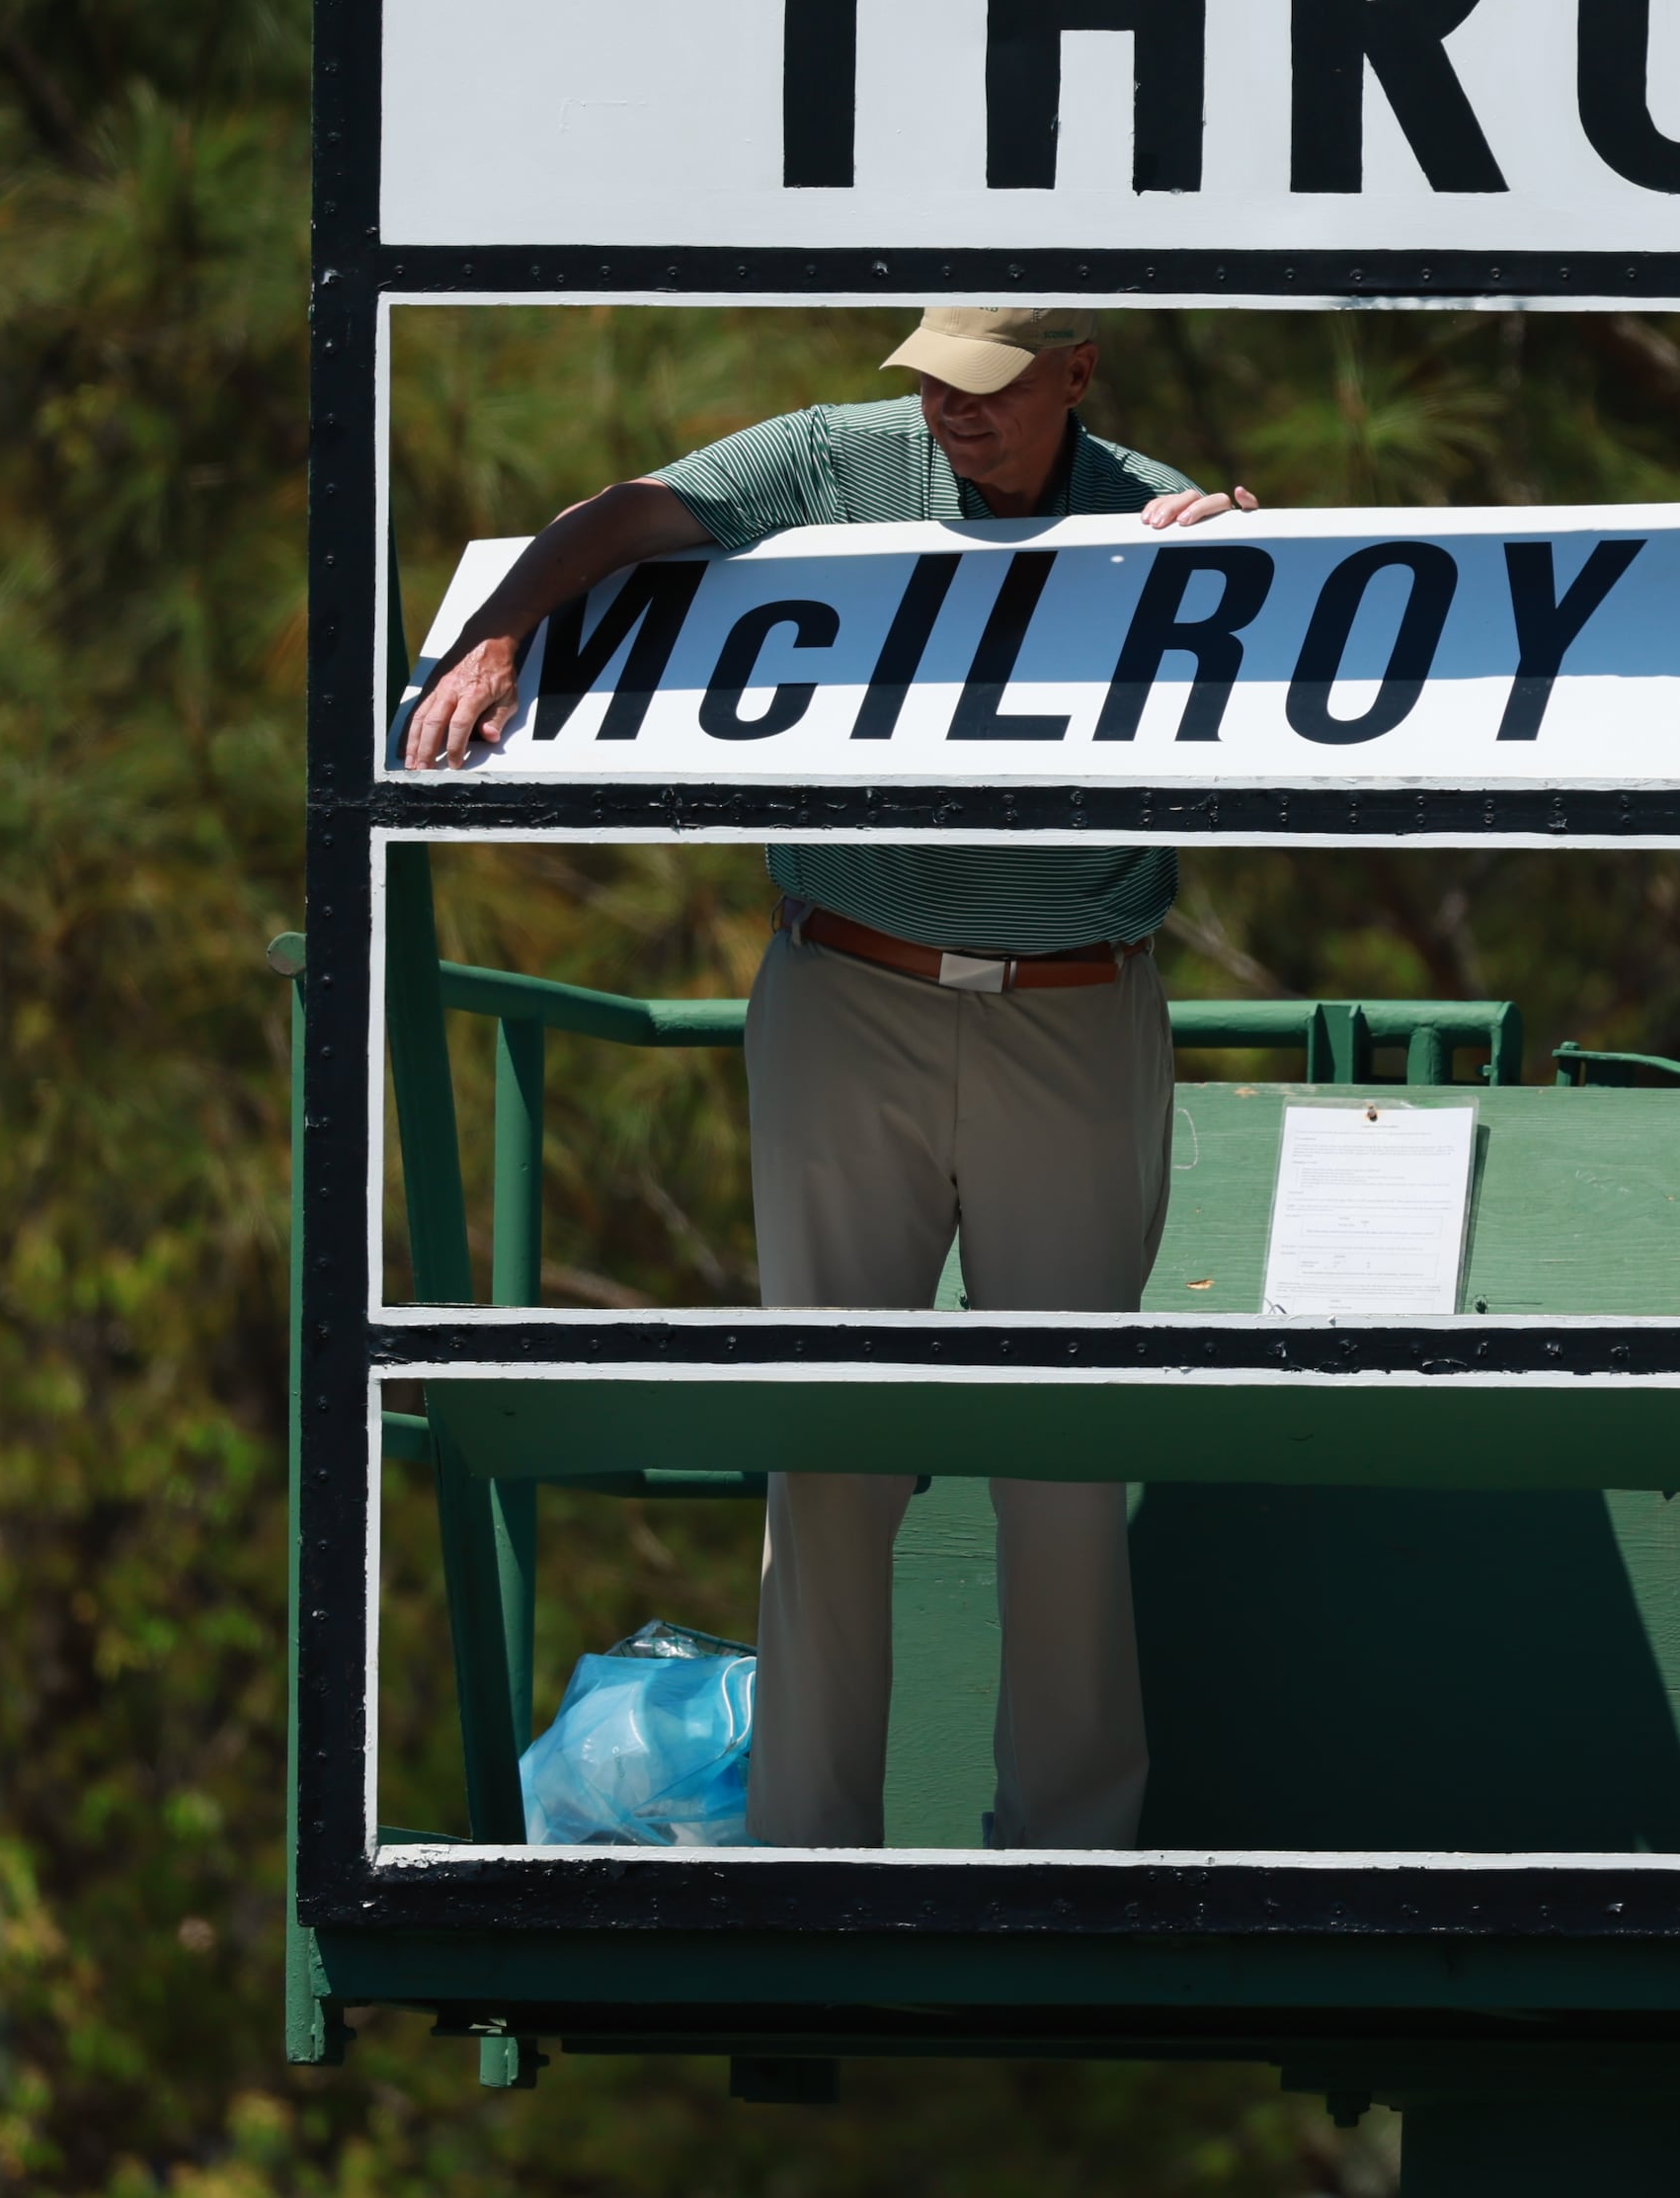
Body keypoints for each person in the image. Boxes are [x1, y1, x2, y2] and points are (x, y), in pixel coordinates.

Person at [401, 305, 1253, 1852]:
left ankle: (1071, 1855)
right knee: (826, 1441)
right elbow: (626, 519)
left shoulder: (1161, 508)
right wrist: (497, 631)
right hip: (844, 994)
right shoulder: (832, 458)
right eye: (928, 375)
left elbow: (1304, 642)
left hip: (1078, 1015)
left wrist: (1258, 559)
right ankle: (806, 1848)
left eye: (988, 385)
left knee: (1065, 1457)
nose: (950, 410)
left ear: (1079, 377)